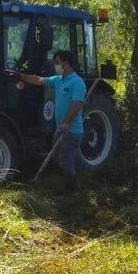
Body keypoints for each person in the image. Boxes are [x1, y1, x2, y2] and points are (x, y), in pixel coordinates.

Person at [17, 49, 87, 196]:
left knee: (66, 159)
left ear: (66, 64)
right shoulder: (58, 80)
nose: (55, 65)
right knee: (57, 156)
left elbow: (77, 104)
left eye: (57, 63)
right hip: (61, 128)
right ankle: (66, 181)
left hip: (71, 130)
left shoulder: (77, 82)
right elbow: (38, 80)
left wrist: (66, 122)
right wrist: (21, 76)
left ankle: (72, 191)